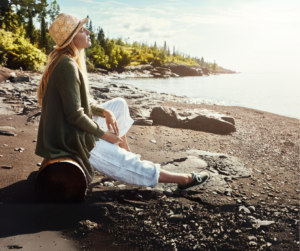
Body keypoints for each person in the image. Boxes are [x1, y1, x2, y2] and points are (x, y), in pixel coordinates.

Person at [35, 13, 209, 192]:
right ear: (72, 38)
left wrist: (106, 112)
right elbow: (75, 115)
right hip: (70, 140)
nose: (88, 31)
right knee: (125, 162)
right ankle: (183, 179)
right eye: (81, 29)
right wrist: (103, 134)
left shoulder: (66, 62)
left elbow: (80, 104)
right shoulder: (67, 65)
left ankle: (124, 152)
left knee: (118, 104)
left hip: (70, 131)